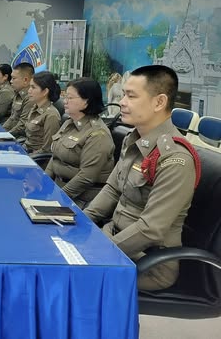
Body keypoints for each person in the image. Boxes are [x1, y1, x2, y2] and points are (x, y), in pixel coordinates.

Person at [84, 65, 198, 291]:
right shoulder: (134, 140)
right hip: (113, 238)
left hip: (147, 262)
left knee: (68, 280)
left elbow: (150, 229)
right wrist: (80, 222)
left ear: (159, 102)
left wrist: (98, 253)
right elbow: (112, 189)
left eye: (131, 96)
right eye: (123, 95)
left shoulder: (175, 158)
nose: (122, 102)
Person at [45, 77, 115, 208]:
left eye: (70, 98)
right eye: (65, 96)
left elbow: (86, 177)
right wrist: (44, 183)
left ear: (86, 102)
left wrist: (58, 197)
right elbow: (55, 157)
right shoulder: (68, 123)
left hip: (80, 199)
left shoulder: (98, 134)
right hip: (58, 188)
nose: (65, 101)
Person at [24, 71, 61, 154]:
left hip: (36, 157)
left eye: (33, 87)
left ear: (45, 91)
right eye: (30, 87)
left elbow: (47, 149)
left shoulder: (51, 115)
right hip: (26, 150)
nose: (29, 91)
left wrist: (27, 157)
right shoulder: (34, 108)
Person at [3, 63, 35, 139]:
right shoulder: (17, 94)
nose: (11, 81)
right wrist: (1, 131)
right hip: (13, 134)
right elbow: (12, 118)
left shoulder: (30, 97)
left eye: (14, 78)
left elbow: (22, 125)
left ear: (25, 80)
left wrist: (5, 136)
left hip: (22, 137)